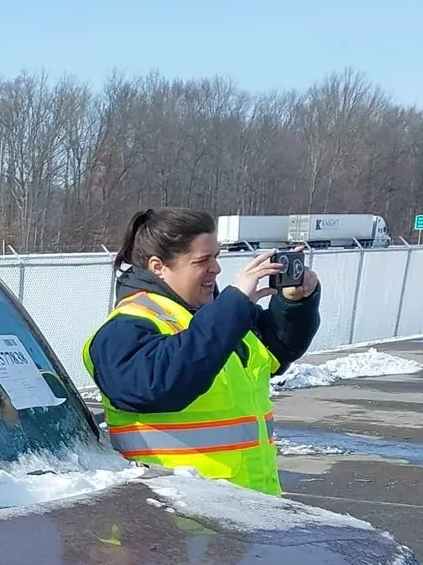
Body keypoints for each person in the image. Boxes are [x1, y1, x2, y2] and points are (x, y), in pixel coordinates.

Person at [83, 207, 320, 495]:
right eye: (202, 260)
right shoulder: (125, 327)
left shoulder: (215, 316)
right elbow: (162, 384)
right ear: (158, 266)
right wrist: (233, 306)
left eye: (216, 256)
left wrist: (295, 304)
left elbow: (275, 350)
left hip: (250, 503)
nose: (216, 268)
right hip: (174, 509)